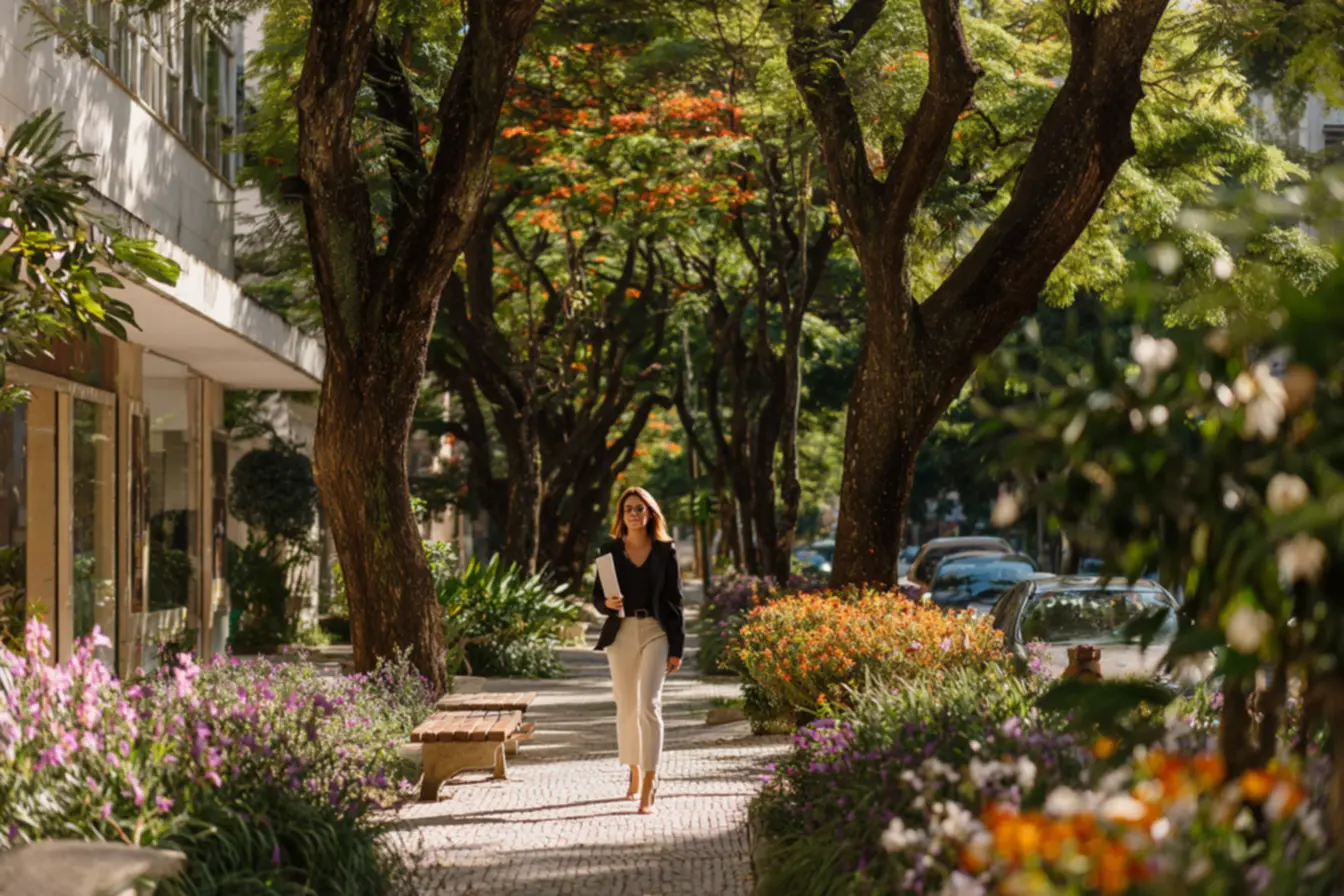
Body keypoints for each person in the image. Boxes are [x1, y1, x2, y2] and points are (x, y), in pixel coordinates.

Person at [591, 486, 685, 814]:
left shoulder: (665, 551)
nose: (634, 514)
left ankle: (649, 780)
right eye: (629, 508)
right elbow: (596, 596)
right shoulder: (609, 551)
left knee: (649, 705)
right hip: (622, 633)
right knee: (627, 707)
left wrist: (677, 647)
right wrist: (606, 603)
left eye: (640, 509)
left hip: (655, 632)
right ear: (622, 515)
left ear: (650, 514)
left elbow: (674, 601)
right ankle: (632, 768)